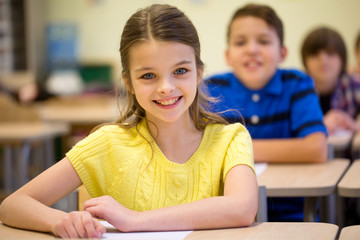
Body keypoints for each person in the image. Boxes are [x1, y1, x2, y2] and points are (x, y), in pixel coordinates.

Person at [0, 4, 258, 239]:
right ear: (129, 83)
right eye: (148, 75)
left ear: (199, 73)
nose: (166, 87)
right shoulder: (108, 143)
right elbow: (12, 205)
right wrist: (60, 220)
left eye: (180, 71)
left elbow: (242, 208)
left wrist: (136, 220)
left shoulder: (230, 139)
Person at [205, 3, 328, 164]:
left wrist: (232, 148)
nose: (252, 50)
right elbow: (196, 149)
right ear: (228, 56)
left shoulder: (297, 83)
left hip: (291, 186)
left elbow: (316, 149)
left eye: (264, 41)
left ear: (282, 53)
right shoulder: (210, 89)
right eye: (240, 43)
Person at [301, 26, 360, 134]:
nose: (323, 60)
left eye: (330, 53)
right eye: (315, 54)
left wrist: (355, 125)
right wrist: (320, 125)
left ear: (342, 59)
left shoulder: (354, 85)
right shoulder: (297, 89)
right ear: (305, 61)